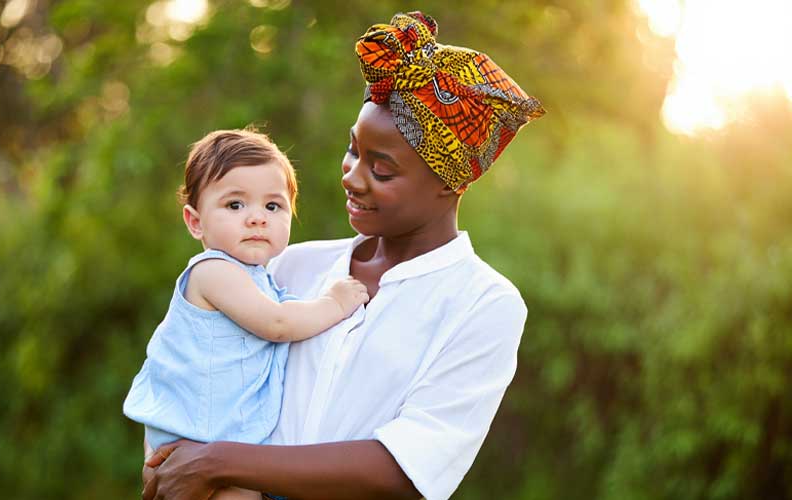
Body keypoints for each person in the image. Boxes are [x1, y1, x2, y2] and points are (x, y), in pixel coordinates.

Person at [142, 11, 545, 500]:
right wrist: (177, 456)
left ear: (451, 184)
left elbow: (404, 470)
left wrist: (216, 462)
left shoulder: (483, 304)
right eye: (353, 151)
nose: (352, 177)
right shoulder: (291, 265)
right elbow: (201, 368)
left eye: (382, 168)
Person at [123, 129, 371, 500]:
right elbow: (278, 323)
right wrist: (334, 304)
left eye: (273, 206)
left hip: (217, 439)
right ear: (195, 222)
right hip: (192, 436)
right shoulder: (213, 272)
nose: (256, 218)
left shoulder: (261, 280)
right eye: (235, 205)